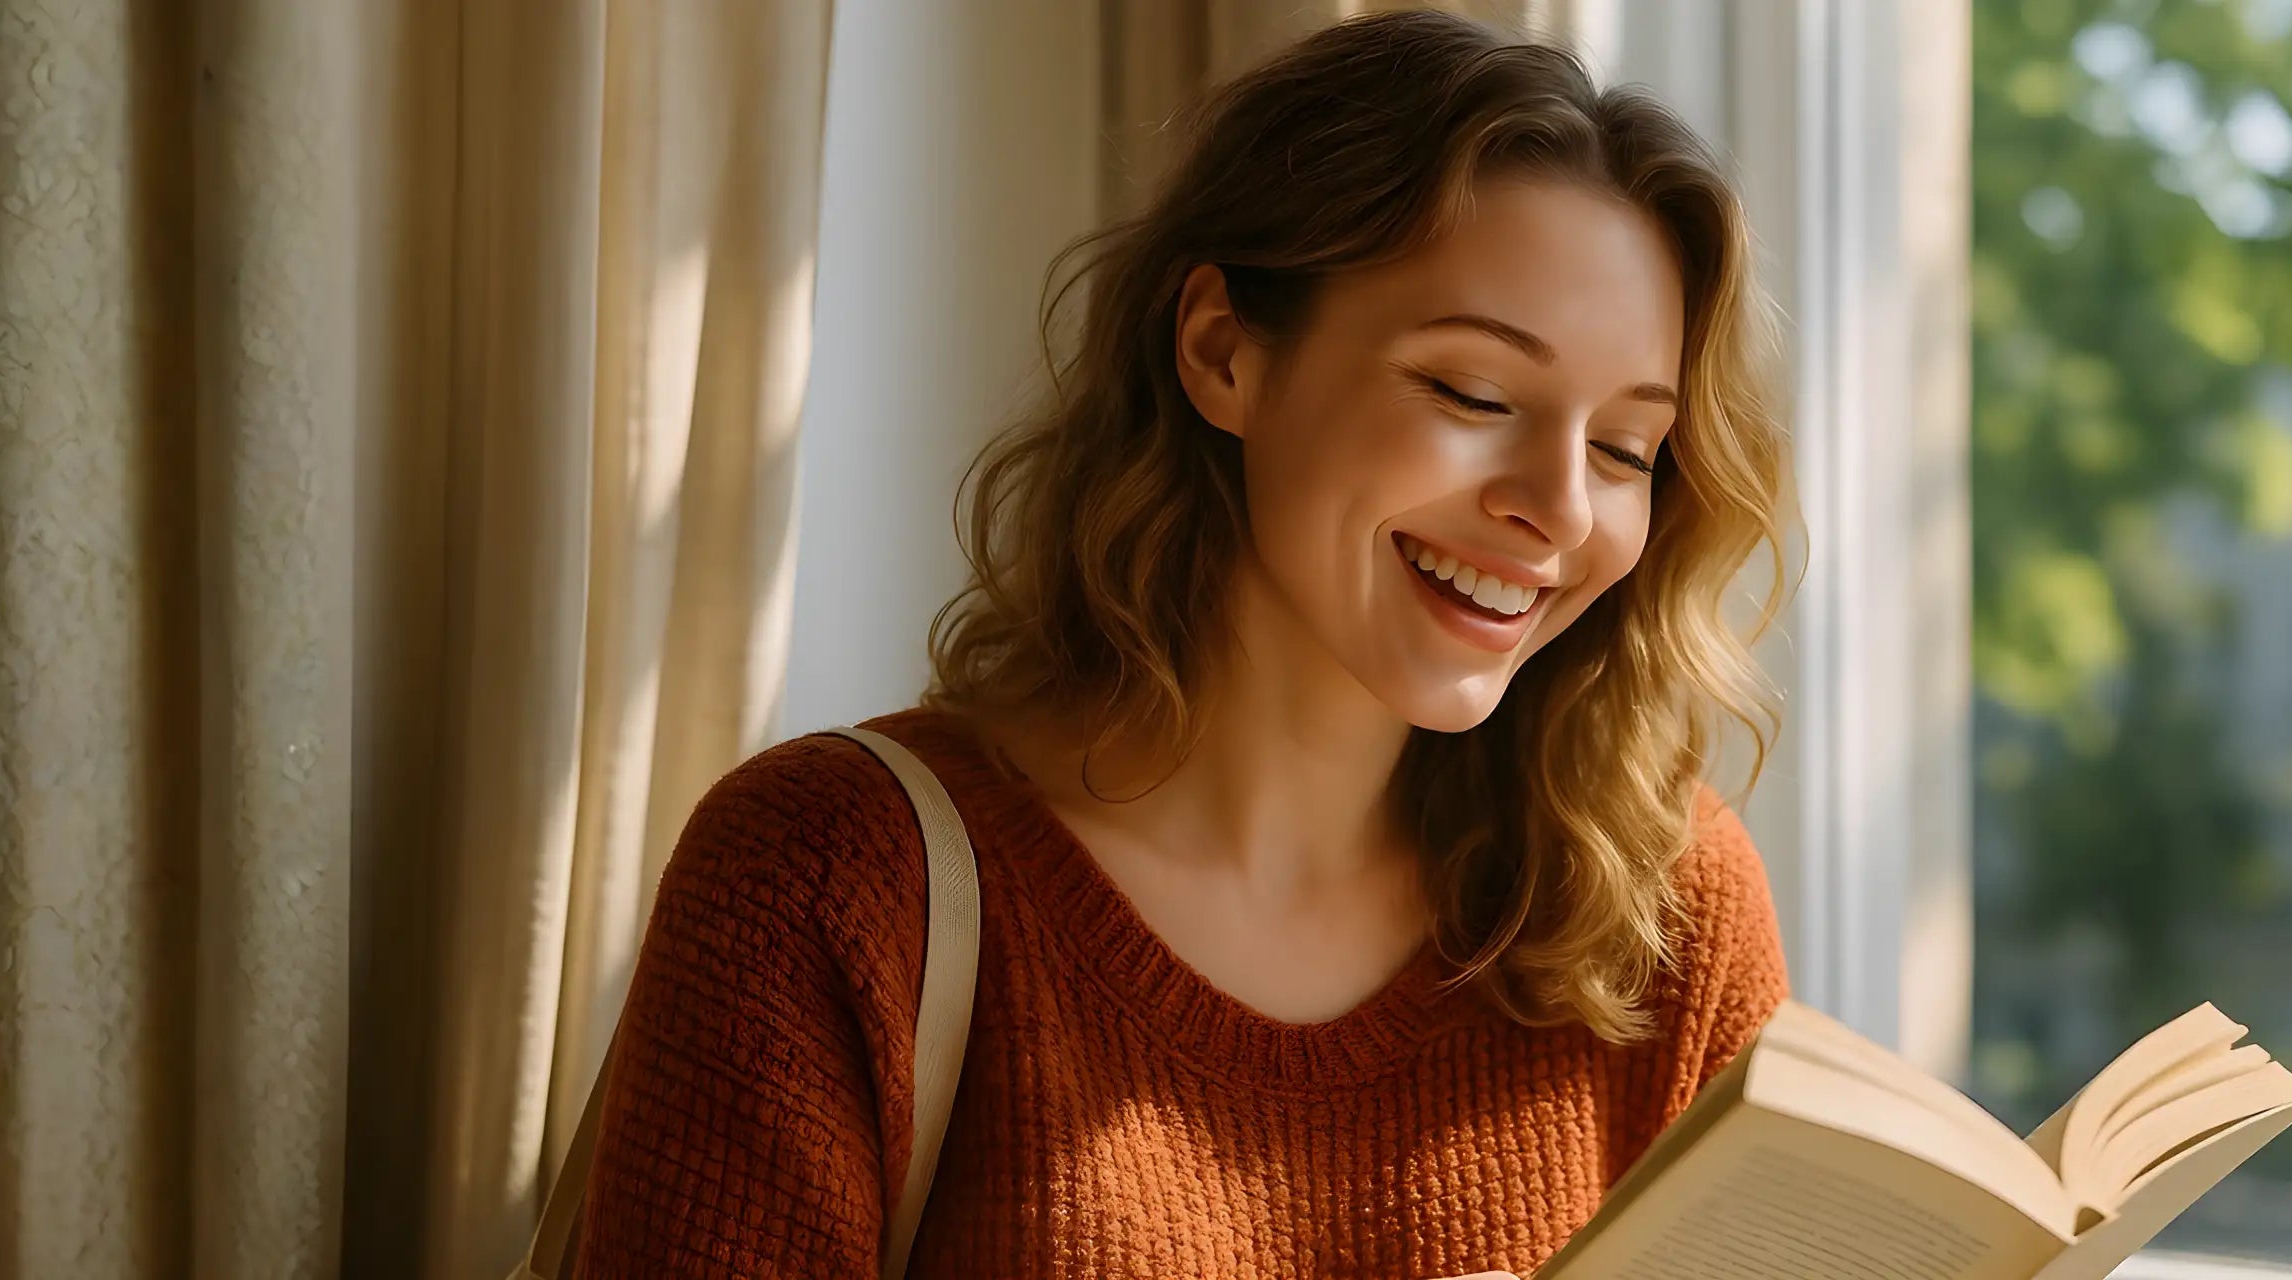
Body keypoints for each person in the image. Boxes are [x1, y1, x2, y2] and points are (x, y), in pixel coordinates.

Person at [566, 10, 1795, 1276]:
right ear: (1223, 351)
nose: (1560, 509)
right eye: (1473, 395)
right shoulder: (827, 878)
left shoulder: (1660, 907)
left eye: (1624, 449)